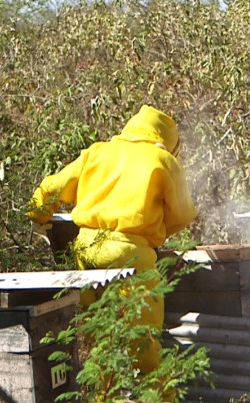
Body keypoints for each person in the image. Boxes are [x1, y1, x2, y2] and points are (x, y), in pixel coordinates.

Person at [26, 104, 198, 375]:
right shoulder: (164, 161)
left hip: (85, 253)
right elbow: (182, 216)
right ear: (168, 141)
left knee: (98, 339)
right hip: (131, 257)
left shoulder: (98, 151)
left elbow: (53, 187)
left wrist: (38, 214)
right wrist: (154, 232)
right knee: (143, 342)